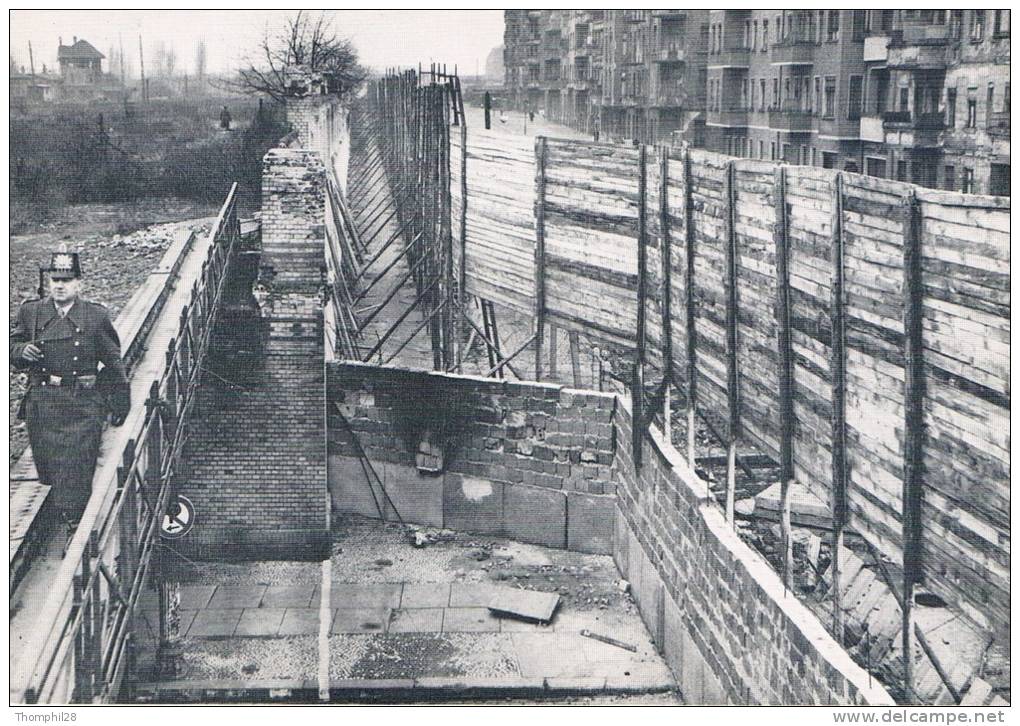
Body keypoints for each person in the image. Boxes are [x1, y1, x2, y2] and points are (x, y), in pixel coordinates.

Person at [10, 247, 130, 533]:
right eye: (55, 280)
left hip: (82, 405)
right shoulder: (31, 312)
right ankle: (67, 513)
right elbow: (10, 345)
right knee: (51, 468)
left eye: (67, 280)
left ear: (79, 284)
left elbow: (114, 362)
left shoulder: (95, 317)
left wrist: (119, 402)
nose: (60, 286)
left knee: (76, 468)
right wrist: (19, 350)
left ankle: (76, 529)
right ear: (49, 283)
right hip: (43, 403)